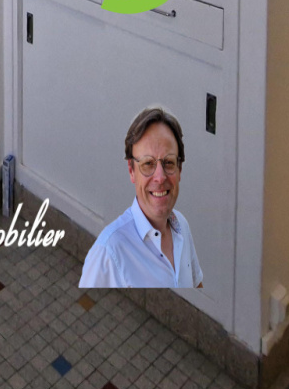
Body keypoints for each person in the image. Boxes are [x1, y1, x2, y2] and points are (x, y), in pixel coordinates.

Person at [78, 106, 204, 289]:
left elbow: (196, 285)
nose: (160, 177)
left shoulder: (182, 227)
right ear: (131, 170)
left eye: (169, 162)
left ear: (180, 169)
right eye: (148, 164)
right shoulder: (108, 254)